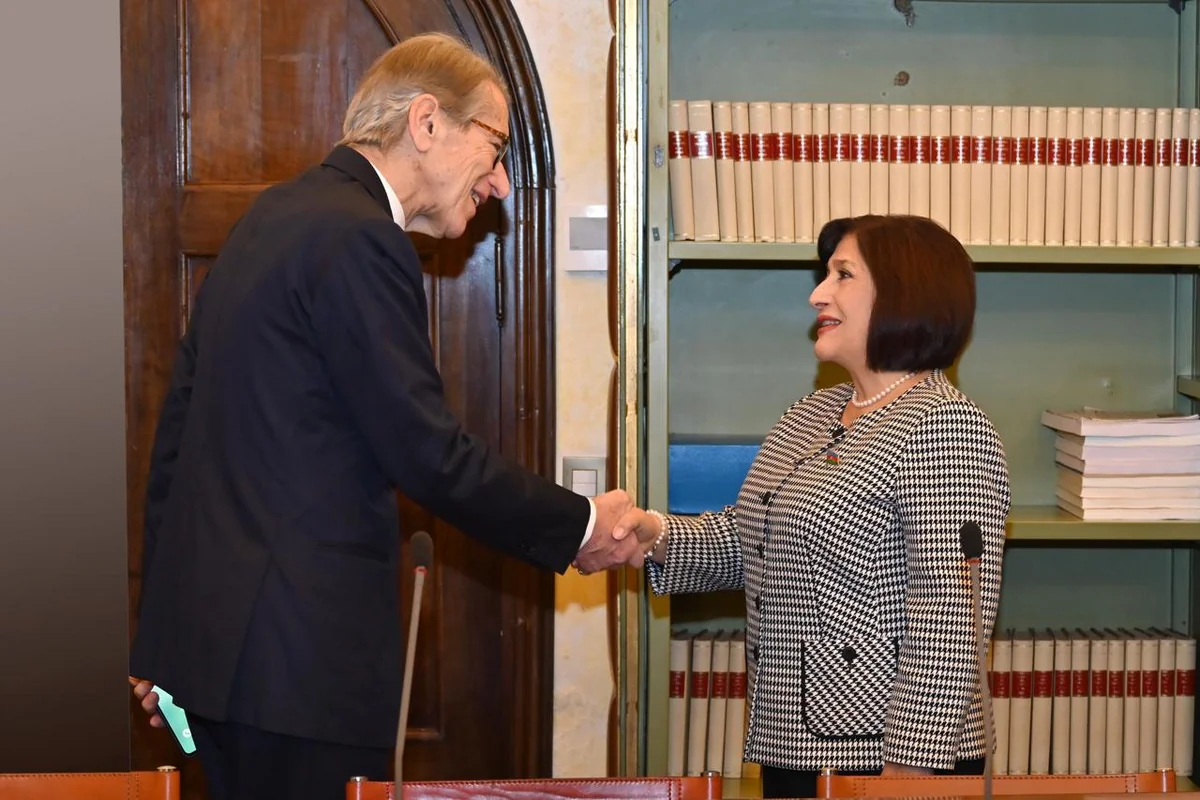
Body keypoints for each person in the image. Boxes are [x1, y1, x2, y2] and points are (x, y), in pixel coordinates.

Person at [128, 32, 643, 800]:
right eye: (496, 148)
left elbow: (178, 440)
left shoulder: (273, 218)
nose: (502, 183)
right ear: (427, 122)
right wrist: (579, 526)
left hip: (220, 670)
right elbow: (427, 452)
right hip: (300, 676)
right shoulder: (362, 239)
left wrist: (161, 641)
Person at [614, 214, 1011, 799]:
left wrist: (908, 776)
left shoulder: (948, 426)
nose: (817, 294)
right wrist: (653, 535)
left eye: (842, 275)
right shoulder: (810, 414)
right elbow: (748, 540)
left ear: (904, 292)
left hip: (884, 759)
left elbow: (948, 614)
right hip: (791, 741)